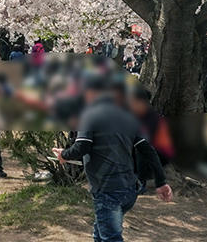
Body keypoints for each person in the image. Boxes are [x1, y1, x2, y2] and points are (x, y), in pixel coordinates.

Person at [53, 73, 171, 242]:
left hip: (108, 191)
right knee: (100, 234)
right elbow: (149, 151)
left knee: (110, 238)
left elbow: (82, 146)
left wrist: (63, 155)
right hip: (129, 189)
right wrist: (161, 181)